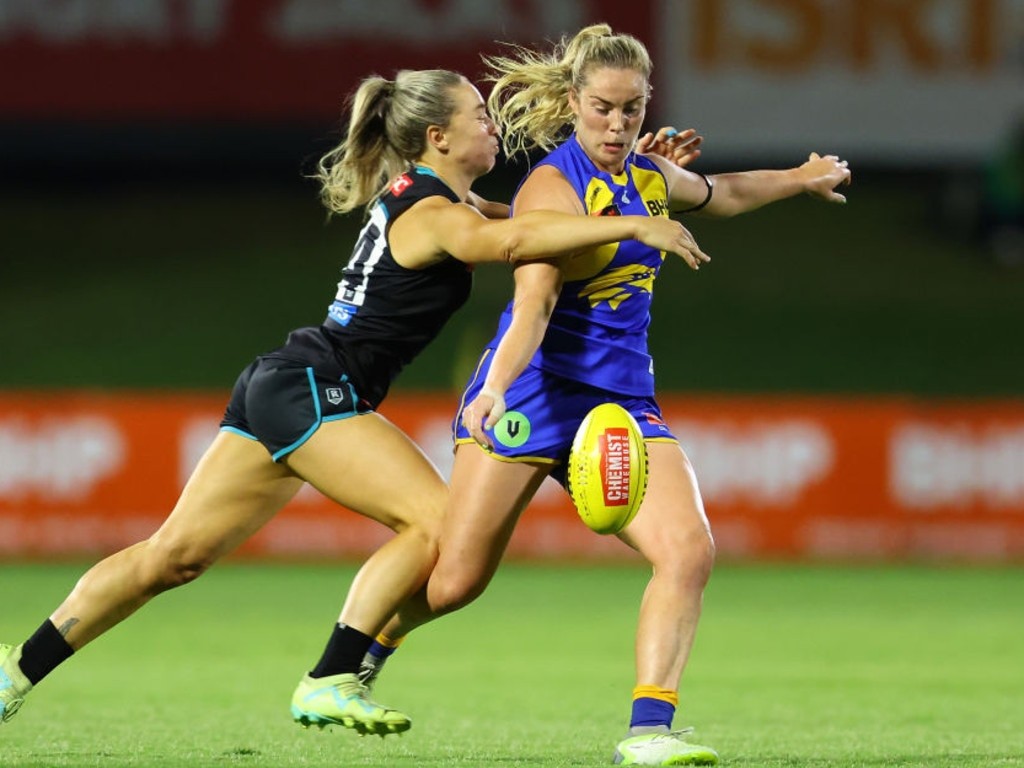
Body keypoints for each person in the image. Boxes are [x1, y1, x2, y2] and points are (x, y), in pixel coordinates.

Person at [0, 68, 710, 736]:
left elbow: (544, 213)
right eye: (478, 117)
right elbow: (519, 237)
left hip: (286, 381)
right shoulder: (435, 212)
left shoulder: (443, 199)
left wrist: (627, 186)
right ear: (439, 137)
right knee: (437, 523)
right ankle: (333, 675)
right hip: (318, 385)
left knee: (173, 557)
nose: (492, 127)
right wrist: (634, 224)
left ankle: (13, 672)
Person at [358, 25, 852, 765]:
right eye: (602, 109)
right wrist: (491, 389)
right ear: (572, 105)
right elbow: (534, 306)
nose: (617, 125)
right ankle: (361, 653)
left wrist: (800, 177)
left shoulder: (650, 179)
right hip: (532, 392)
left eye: (631, 108)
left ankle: (649, 730)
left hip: (620, 402)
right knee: (457, 580)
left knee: (688, 551)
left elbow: (722, 194)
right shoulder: (551, 188)